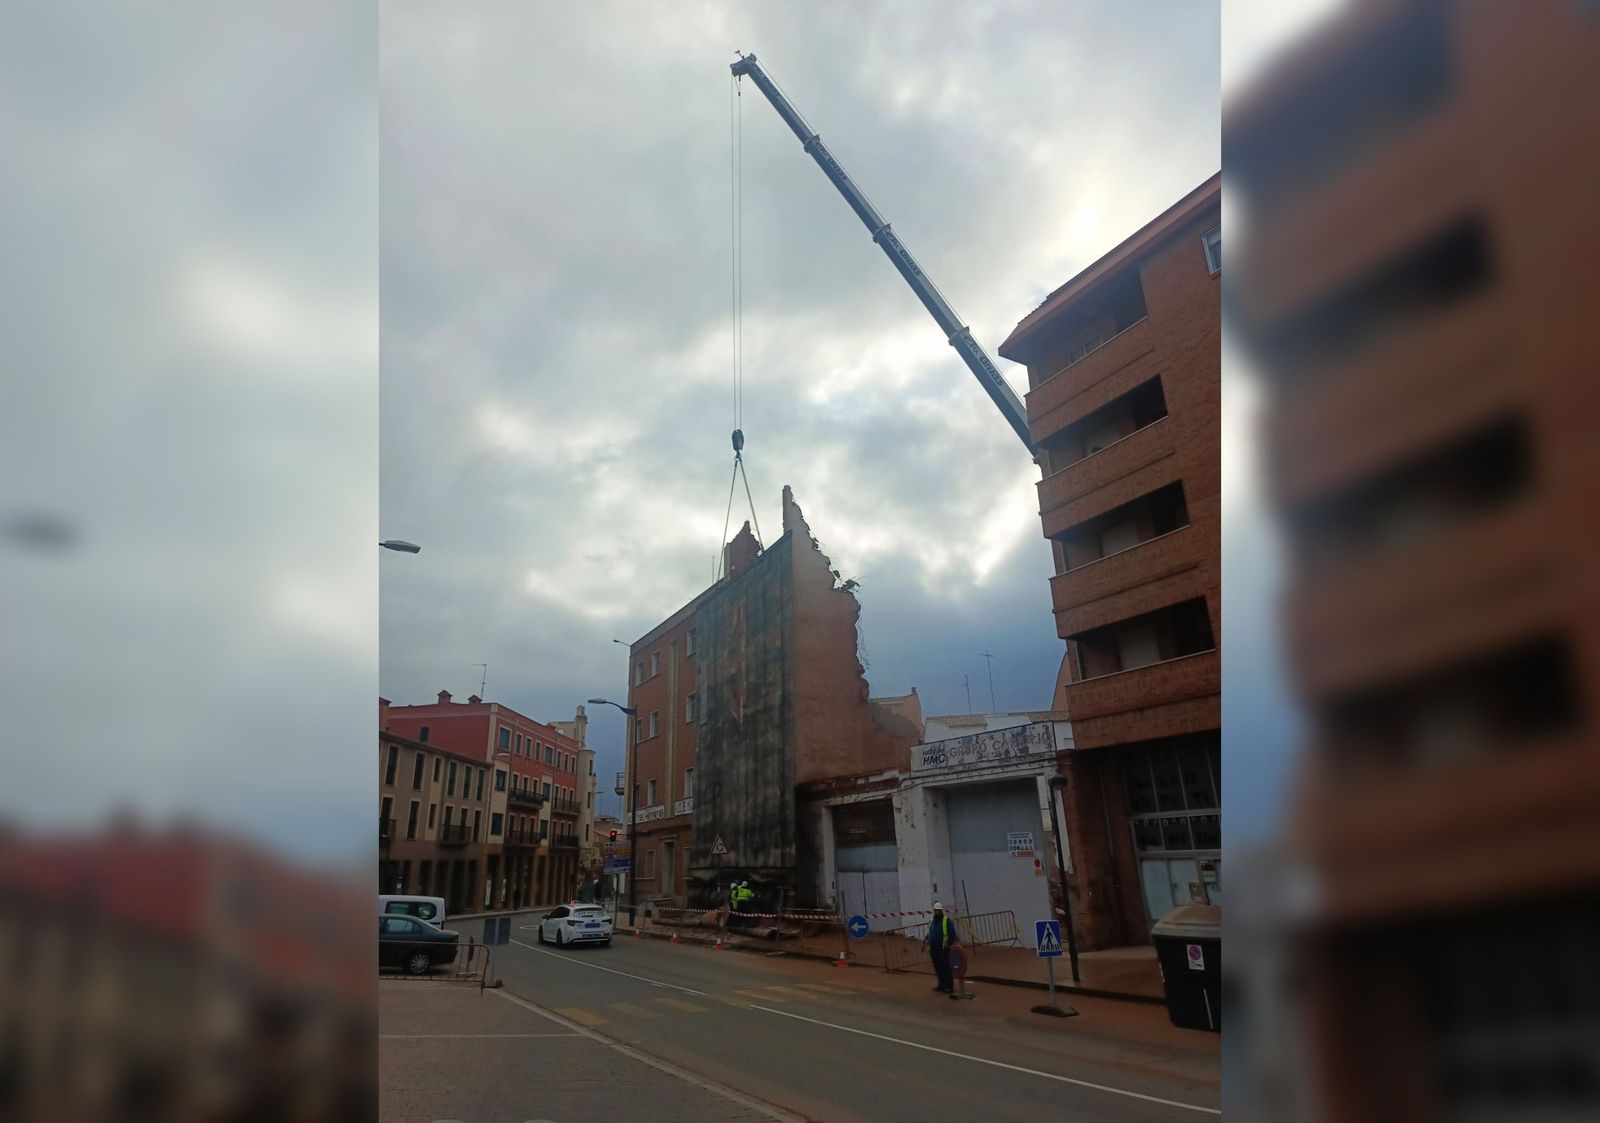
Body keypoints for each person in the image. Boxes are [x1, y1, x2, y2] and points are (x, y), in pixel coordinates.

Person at [926, 902, 962, 997]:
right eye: (935, 910)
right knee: (938, 968)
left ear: (941, 911)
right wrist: (928, 942)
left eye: (938, 910)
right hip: (934, 949)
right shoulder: (932, 922)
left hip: (943, 948)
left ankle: (949, 987)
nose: (936, 911)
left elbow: (951, 934)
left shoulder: (946, 921)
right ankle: (941, 985)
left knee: (946, 967)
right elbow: (930, 933)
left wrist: (948, 944)